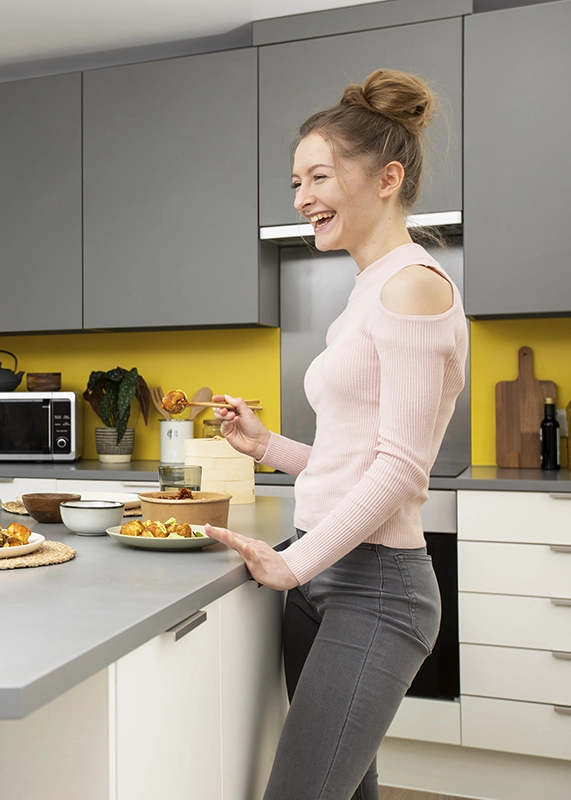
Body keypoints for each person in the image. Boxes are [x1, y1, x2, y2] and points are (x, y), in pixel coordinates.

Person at [203, 69, 468, 800]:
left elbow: (401, 472)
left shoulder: (413, 287)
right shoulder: (366, 291)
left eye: (319, 176)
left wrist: (293, 566)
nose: (301, 198)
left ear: (385, 178)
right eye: (296, 181)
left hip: (376, 588)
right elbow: (356, 460)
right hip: (325, 577)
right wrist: (268, 448)